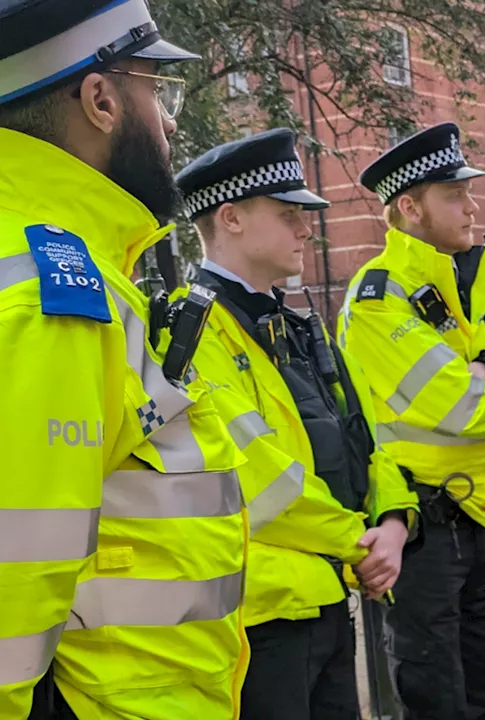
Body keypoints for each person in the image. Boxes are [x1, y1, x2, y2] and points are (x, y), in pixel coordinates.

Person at [0, 1, 253, 718]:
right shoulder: (55, 292)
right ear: (101, 99)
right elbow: (11, 594)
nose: (170, 123)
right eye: (158, 90)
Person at [172, 128, 422, 719]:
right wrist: (360, 544)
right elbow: (256, 478)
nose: (307, 228)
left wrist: (393, 520)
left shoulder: (302, 325)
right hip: (262, 619)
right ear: (230, 218)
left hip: (329, 597)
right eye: (289, 215)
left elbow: (366, 439)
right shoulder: (191, 334)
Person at [336, 121, 485, 720]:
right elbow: (460, 407)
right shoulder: (379, 299)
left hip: (472, 516)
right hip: (416, 528)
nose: (472, 207)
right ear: (410, 208)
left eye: (469, 192)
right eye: (454, 195)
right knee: (433, 696)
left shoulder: (476, 286)